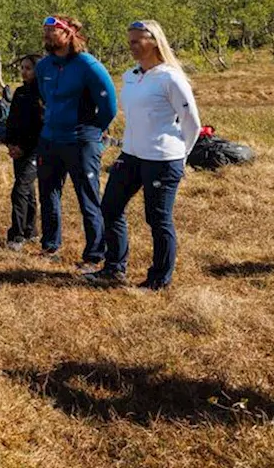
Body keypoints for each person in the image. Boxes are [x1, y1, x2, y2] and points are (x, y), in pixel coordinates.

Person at [86, 21, 201, 291]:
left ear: (154, 42)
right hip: (132, 154)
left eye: (137, 41)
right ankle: (114, 268)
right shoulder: (131, 75)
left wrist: (180, 156)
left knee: (157, 218)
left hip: (162, 159)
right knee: (110, 208)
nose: (132, 46)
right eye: (130, 40)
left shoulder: (170, 77)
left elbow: (191, 122)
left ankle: (158, 279)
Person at [36, 15, 117, 271]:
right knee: (48, 194)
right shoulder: (44, 66)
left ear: (69, 34)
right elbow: (44, 97)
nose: (48, 35)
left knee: (88, 198)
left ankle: (94, 255)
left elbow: (109, 107)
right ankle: (50, 245)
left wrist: (92, 132)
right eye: (46, 31)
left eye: (53, 31)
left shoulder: (88, 66)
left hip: (81, 141)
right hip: (50, 139)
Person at [4, 54, 44, 250]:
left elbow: (39, 126)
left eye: (29, 68)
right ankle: (31, 230)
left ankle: (17, 235)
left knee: (20, 188)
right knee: (27, 189)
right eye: (22, 68)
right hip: (17, 149)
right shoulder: (19, 92)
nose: (24, 71)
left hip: (34, 150)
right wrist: (11, 144)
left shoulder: (43, 93)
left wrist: (24, 147)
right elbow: (11, 121)